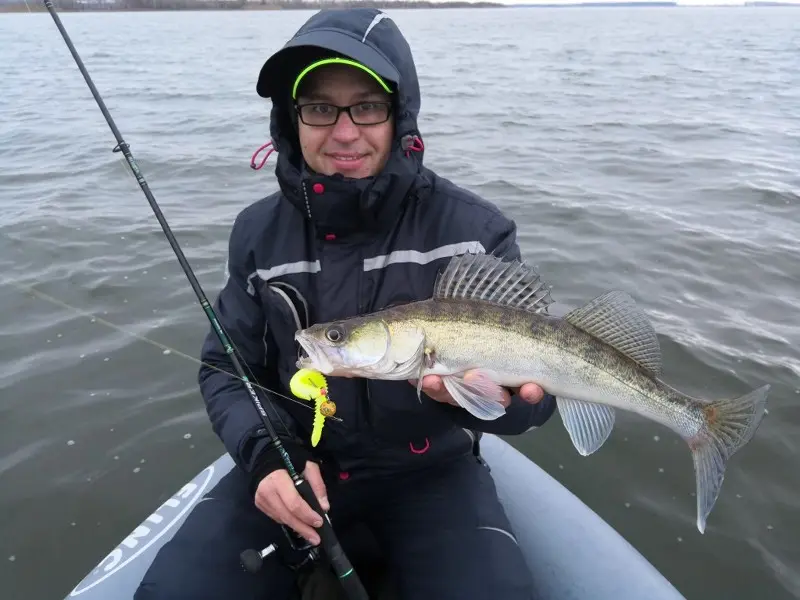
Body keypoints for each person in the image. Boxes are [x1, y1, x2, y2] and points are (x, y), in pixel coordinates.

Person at [135, 7, 557, 600]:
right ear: (292, 120)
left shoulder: (475, 232)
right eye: (319, 109)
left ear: (399, 113)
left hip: (432, 474)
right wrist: (267, 457)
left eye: (367, 107)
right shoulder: (256, 234)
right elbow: (227, 370)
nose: (344, 132)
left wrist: (505, 406)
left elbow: (538, 400)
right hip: (298, 465)